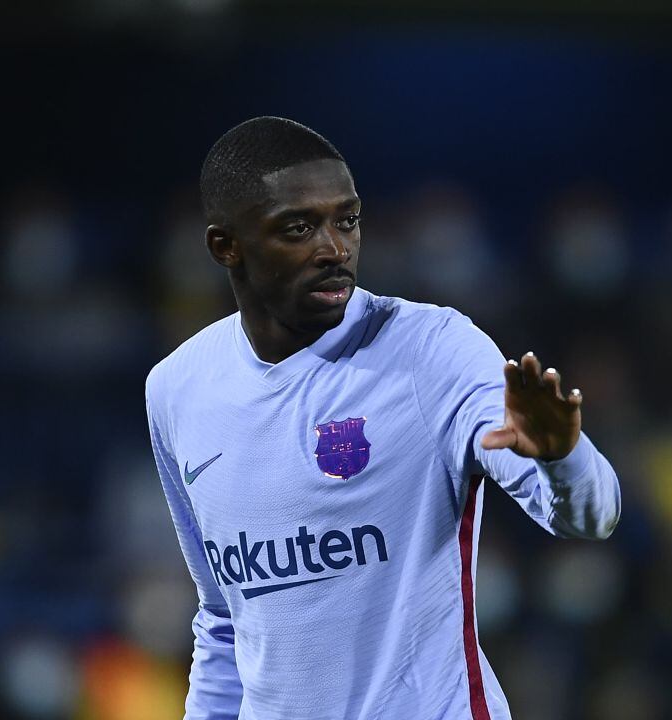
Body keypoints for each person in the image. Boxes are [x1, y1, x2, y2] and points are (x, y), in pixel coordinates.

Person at [145, 116, 621, 720]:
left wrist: (561, 456)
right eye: (299, 227)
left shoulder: (432, 350)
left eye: (347, 220)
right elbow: (224, 621)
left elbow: (591, 517)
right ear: (225, 246)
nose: (334, 249)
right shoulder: (177, 388)